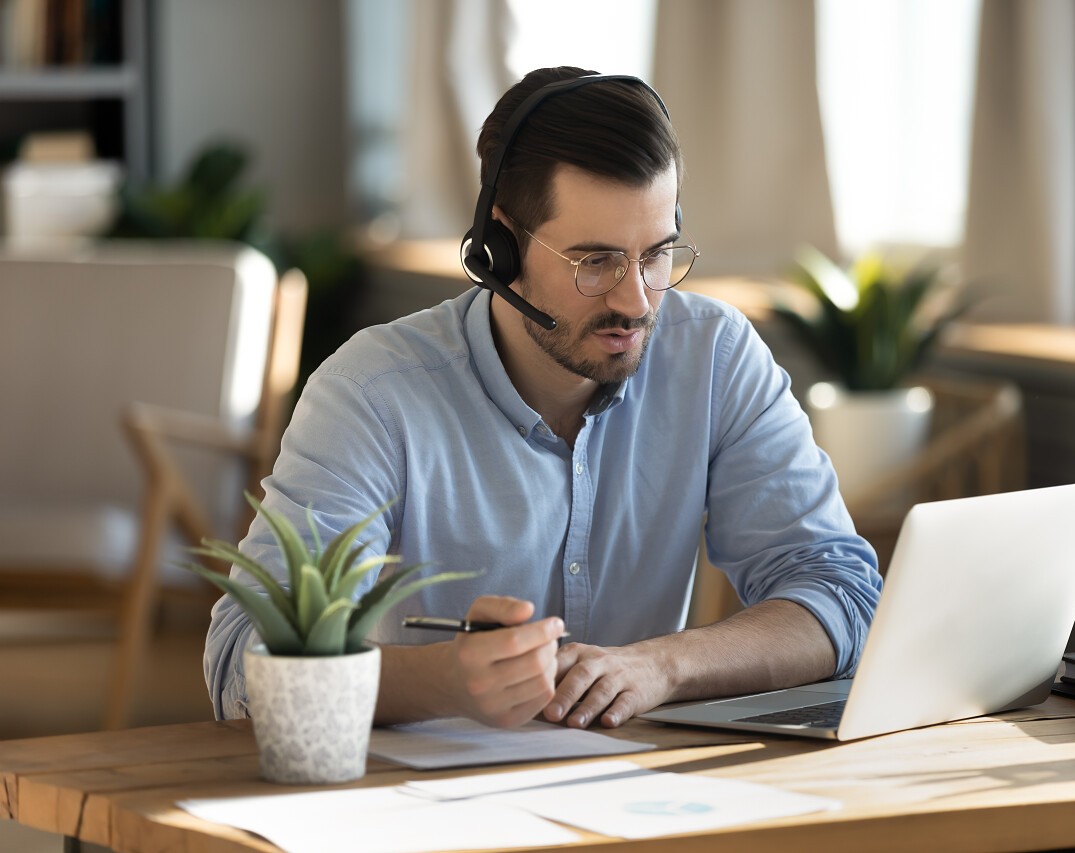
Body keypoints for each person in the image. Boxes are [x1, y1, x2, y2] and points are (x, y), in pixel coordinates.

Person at [205, 66, 882, 730]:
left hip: (644, 785)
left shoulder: (716, 356)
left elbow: (841, 595)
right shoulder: (372, 392)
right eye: (595, 262)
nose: (636, 301)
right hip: (424, 792)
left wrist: (660, 666)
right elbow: (243, 662)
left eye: (656, 254)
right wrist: (443, 679)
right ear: (500, 247)